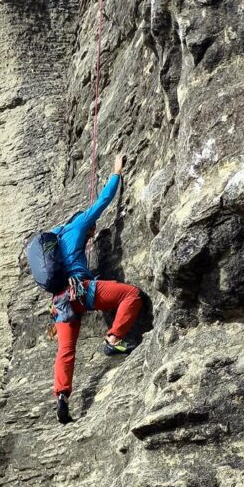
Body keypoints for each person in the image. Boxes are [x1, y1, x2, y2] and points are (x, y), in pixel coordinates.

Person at [51, 153, 142, 424]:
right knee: (131, 294)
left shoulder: (56, 236)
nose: (92, 235)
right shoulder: (79, 224)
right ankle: (113, 339)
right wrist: (117, 172)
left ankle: (62, 396)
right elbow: (103, 201)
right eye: (91, 232)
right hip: (81, 291)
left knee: (65, 351)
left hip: (60, 303)